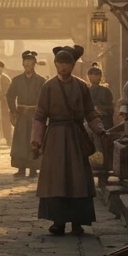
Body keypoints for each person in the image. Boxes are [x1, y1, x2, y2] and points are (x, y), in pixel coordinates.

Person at [31, 46, 104, 235]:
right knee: (57, 179)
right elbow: (39, 116)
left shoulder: (81, 86)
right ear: (56, 64)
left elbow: (90, 111)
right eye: (60, 63)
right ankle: (59, 221)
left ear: (72, 65)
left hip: (75, 136)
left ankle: (78, 221)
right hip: (55, 137)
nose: (63, 67)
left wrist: (99, 128)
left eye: (67, 64)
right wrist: (36, 141)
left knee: (78, 179)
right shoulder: (48, 87)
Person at [6, 50, 45, 178]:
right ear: (22, 64)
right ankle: (21, 169)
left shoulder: (41, 80)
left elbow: (45, 98)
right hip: (22, 116)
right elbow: (10, 95)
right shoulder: (16, 80)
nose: (28, 64)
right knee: (21, 141)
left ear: (35, 64)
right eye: (26, 62)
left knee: (34, 141)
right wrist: (13, 111)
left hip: (35, 115)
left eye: (30, 62)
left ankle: (33, 169)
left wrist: (42, 113)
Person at [88, 63, 116, 182]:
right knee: (91, 147)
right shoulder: (86, 91)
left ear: (100, 76)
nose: (94, 77)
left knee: (104, 149)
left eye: (96, 75)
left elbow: (111, 108)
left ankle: (104, 173)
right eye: (91, 75)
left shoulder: (105, 91)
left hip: (104, 123)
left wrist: (101, 110)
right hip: (90, 124)